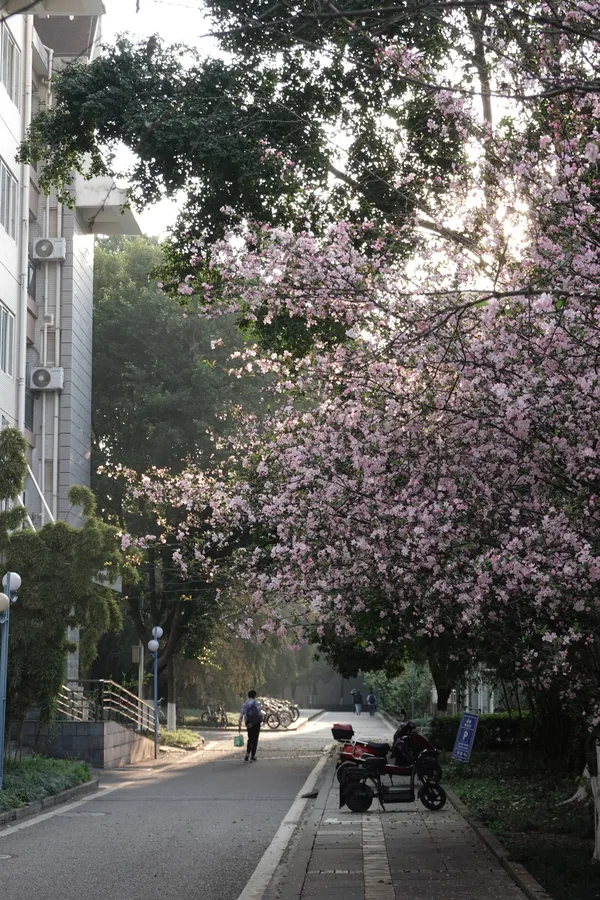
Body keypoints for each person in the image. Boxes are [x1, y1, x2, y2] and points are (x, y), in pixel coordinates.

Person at [238, 689, 263, 761]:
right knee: (255, 739)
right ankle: (253, 756)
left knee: (250, 738)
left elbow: (241, 715)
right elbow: (260, 714)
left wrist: (239, 725)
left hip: (249, 724)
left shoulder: (245, 704)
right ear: (254, 696)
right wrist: (261, 720)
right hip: (256, 724)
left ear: (248, 696)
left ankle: (247, 754)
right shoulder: (256, 703)